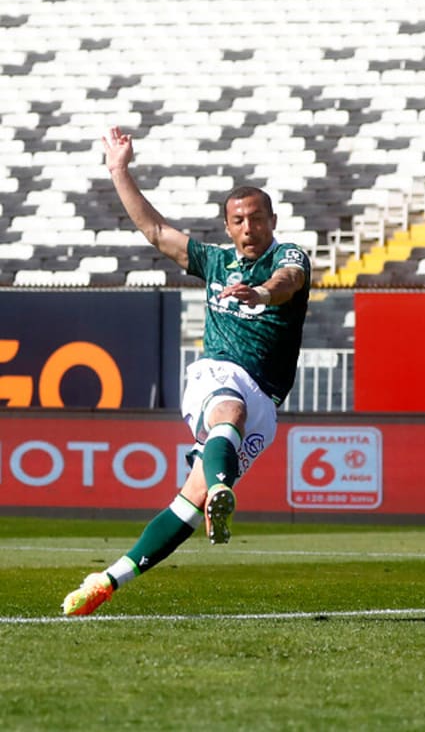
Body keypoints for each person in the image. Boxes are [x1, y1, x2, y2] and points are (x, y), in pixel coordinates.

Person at [62, 126, 311, 616]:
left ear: (272, 220)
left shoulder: (288, 256)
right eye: (238, 220)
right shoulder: (215, 262)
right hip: (218, 374)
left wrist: (261, 293)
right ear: (227, 226)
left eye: (256, 218)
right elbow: (156, 232)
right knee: (228, 408)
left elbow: (289, 282)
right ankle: (222, 483)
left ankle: (107, 580)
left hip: (267, 400)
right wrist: (119, 170)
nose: (247, 227)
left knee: (189, 503)